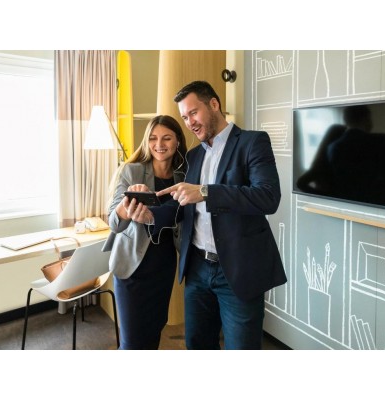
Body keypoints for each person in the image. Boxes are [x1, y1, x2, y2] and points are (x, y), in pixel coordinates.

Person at [152, 80, 287, 349]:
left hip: (237, 269)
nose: (189, 123)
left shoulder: (252, 142)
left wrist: (206, 192)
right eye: (184, 117)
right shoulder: (193, 156)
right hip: (197, 269)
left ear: (214, 104)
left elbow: (268, 197)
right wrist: (150, 217)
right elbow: (185, 205)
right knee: (198, 345)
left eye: (193, 113)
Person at [102, 115, 187, 350]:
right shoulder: (131, 171)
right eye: (153, 138)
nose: (159, 144)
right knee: (132, 342)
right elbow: (114, 223)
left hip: (163, 268)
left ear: (178, 141)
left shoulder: (183, 177)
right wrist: (128, 201)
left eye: (167, 138)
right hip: (132, 268)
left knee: (153, 332)